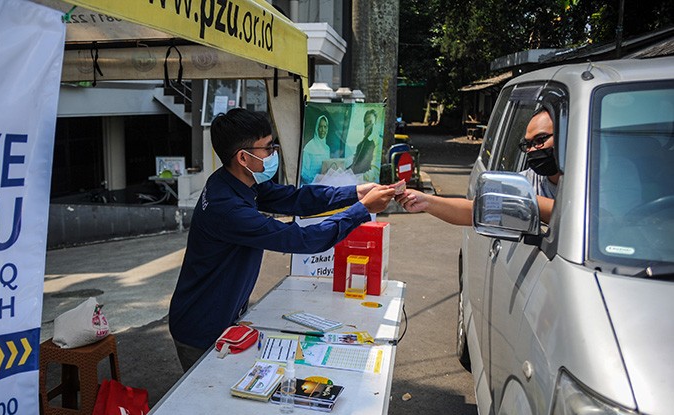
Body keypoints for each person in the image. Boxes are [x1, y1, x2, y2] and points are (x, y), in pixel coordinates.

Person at [169, 108, 398, 371]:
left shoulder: (234, 181)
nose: (273, 153)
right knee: (206, 401)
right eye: (267, 148)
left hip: (222, 314)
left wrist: (355, 193)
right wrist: (361, 210)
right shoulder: (227, 208)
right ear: (243, 157)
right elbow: (302, 240)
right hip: (201, 327)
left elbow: (294, 198)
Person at [399, 108, 560, 224]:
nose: (532, 150)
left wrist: (528, 201)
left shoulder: (584, 187)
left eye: (540, 140)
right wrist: (426, 202)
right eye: (528, 144)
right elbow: (474, 210)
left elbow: (578, 221)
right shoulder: (526, 182)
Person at [301, 115, 331, 185]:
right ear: (317, 128)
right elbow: (303, 173)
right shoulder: (308, 147)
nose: (323, 130)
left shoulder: (327, 148)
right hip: (310, 185)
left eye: (325, 127)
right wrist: (316, 181)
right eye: (320, 127)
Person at [347, 109, 378, 175]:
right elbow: (355, 164)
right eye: (366, 124)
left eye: (370, 122)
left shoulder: (377, 143)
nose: (368, 127)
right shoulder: (360, 145)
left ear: (375, 123)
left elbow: (375, 171)